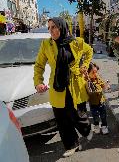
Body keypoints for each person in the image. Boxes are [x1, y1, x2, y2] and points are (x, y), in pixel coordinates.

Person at [34, 17, 94, 157]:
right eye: (49, 28)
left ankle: (87, 130)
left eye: (54, 27)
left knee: (79, 116)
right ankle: (72, 144)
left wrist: (84, 65)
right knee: (62, 120)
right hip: (58, 87)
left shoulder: (77, 42)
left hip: (75, 86)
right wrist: (38, 82)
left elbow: (89, 51)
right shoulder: (46, 44)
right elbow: (39, 66)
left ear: (62, 27)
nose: (51, 31)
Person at [86, 62, 110, 134]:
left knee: (103, 116)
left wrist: (106, 86)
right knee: (95, 116)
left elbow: (104, 85)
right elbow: (89, 91)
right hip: (93, 103)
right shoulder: (87, 81)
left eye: (96, 72)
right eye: (93, 72)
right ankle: (96, 126)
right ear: (87, 73)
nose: (95, 74)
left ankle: (104, 126)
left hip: (101, 101)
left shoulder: (98, 78)